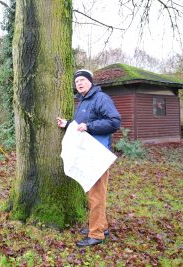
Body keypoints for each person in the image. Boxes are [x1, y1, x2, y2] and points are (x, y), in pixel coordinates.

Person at [57, 69, 121, 247]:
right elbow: (81, 127)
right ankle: (102, 226)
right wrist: (68, 124)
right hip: (88, 153)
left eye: (83, 80)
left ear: (91, 82)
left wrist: (90, 126)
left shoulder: (101, 98)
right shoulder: (83, 101)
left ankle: (96, 234)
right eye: (77, 81)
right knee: (93, 193)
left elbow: (114, 121)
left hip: (98, 155)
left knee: (96, 195)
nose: (79, 83)